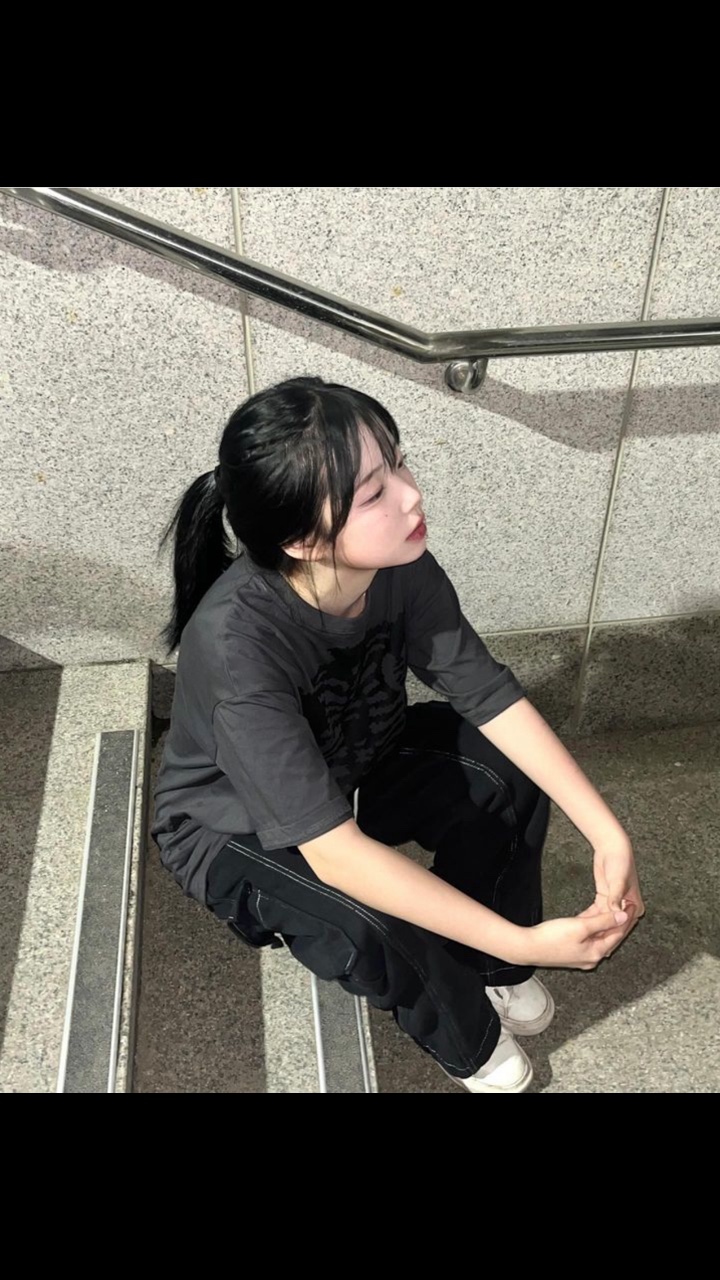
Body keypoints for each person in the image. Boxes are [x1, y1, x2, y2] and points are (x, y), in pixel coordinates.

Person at [152, 376, 644, 1093]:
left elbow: (489, 695)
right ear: (302, 539)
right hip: (233, 827)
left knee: (505, 776)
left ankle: (493, 966)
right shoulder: (236, 650)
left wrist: (608, 833)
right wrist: (529, 938)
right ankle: (468, 1035)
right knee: (371, 917)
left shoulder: (398, 566)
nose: (411, 496)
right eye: (373, 494)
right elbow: (338, 856)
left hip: (352, 762)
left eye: (399, 464)